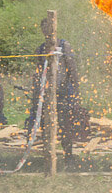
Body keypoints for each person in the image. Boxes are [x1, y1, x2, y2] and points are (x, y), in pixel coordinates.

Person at [25, 18, 88, 168]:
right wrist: (36, 94)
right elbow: (39, 72)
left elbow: (72, 69)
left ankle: (69, 156)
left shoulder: (64, 45)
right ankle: (48, 157)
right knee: (47, 125)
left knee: (66, 126)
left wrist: (76, 90)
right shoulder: (40, 49)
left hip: (64, 91)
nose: (47, 31)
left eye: (50, 27)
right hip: (47, 93)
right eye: (44, 28)